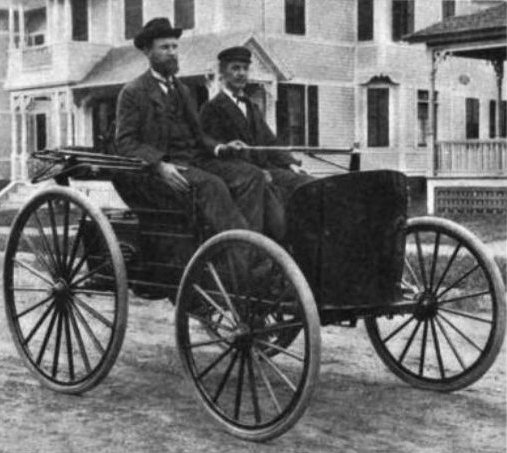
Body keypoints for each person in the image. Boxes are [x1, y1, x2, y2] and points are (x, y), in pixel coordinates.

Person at [115, 18, 280, 237]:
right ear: (148, 52)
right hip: (161, 171)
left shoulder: (182, 89)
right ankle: (241, 255)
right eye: (165, 47)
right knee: (213, 186)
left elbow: (199, 135)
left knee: (251, 175)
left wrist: (221, 147)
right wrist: (158, 164)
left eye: (175, 47)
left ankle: (249, 250)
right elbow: (125, 142)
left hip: (195, 161)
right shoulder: (134, 92)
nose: (172, 52)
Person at [200, 46, 313, 208]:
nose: (241, 73)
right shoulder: (212, 108)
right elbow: (212, 151)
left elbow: (270, 142)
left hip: (266, 169)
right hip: (244, 177)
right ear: (223, 73)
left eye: (245, 69)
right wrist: (256, 172)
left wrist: (290, 163)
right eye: (235, 68)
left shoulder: (252, 107)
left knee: (309, 184)